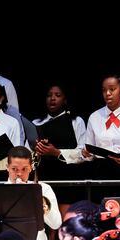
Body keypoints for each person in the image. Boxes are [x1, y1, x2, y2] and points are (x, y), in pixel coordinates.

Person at [32, 83, 87, 215]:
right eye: (49, 95)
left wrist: (56, 152)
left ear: (65, 99)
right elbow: (30, 155)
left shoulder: (76, 121)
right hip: (45, 178)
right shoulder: (36, 123)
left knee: (65, 223)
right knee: (47, 222)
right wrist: (38, 152)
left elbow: (83, 153)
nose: (52, 98)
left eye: (57, 95)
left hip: (68, 179)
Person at [5, 146, 61, 240]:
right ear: (7, 167)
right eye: (14, 169)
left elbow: (56, 224)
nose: (19, 174)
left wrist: (34, 197)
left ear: (31, 168)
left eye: (24, 169)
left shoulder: (44, 188)